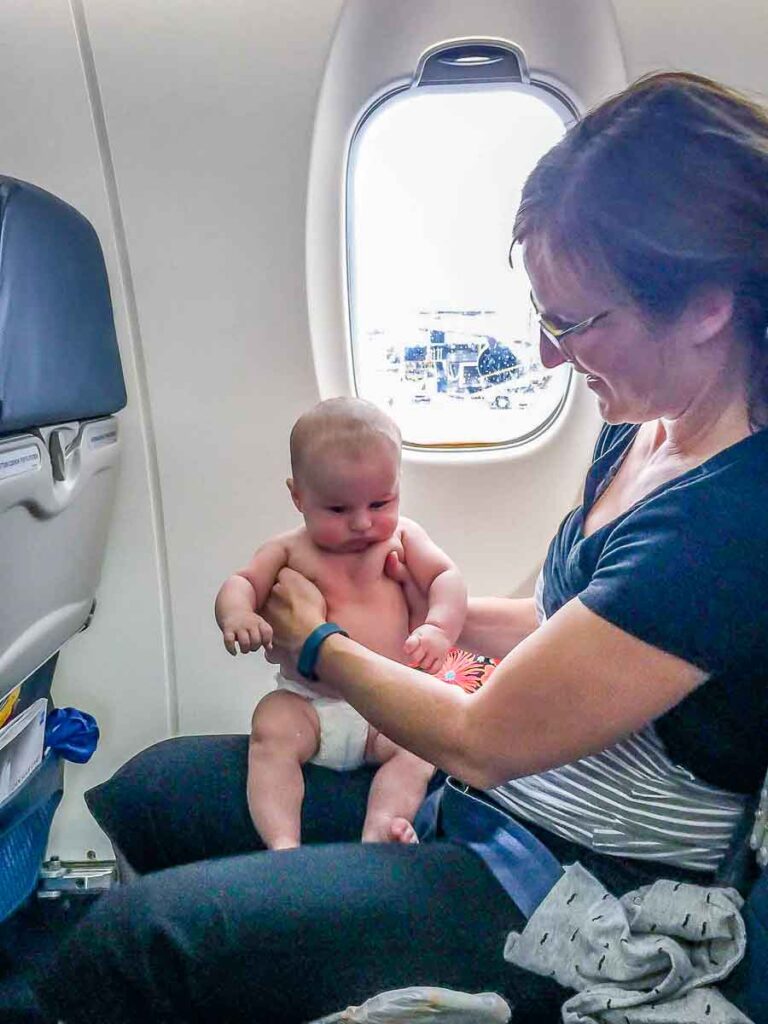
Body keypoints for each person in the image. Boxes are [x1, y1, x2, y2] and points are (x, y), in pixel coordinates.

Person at [33, 71, 768, 1024]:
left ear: (709, 306)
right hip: (492, 806)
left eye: (578, 323)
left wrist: (319, 646)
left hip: (575, 885)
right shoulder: (645, 430)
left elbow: (489, 738)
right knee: (156, 790)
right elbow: (574, 626)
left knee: (133, 949)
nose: (550, 355)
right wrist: (407, 610)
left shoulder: (735, 520)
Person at [214, 397, 466, 848]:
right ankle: (283, 844)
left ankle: (382, 830)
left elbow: (446, 577)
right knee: (270, 731)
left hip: (382, 706)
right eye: (337, 510)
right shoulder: (289, 549)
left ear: (398, 487)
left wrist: (438, 628)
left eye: (380, 502)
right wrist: (238, 614)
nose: (363, 522)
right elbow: (242, 582)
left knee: (418, 750)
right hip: (308, 704)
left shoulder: (404, 535)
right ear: (298, 496)